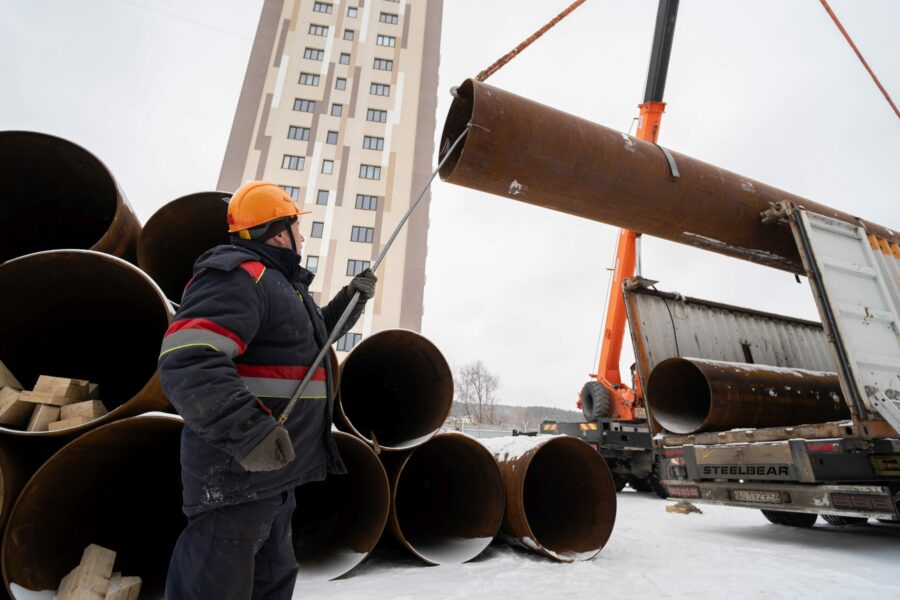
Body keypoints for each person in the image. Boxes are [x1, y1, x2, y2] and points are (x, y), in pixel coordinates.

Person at [158, 181, 377, 599]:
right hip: (235, 476)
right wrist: (251, 433)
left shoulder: (282, 284)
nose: (302, 237)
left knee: (271, 583)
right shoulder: (239, 276)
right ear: (278, 232)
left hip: (273, 477)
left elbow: (309, 347)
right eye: (297, 227)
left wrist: (351, 300)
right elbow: (188, 359)